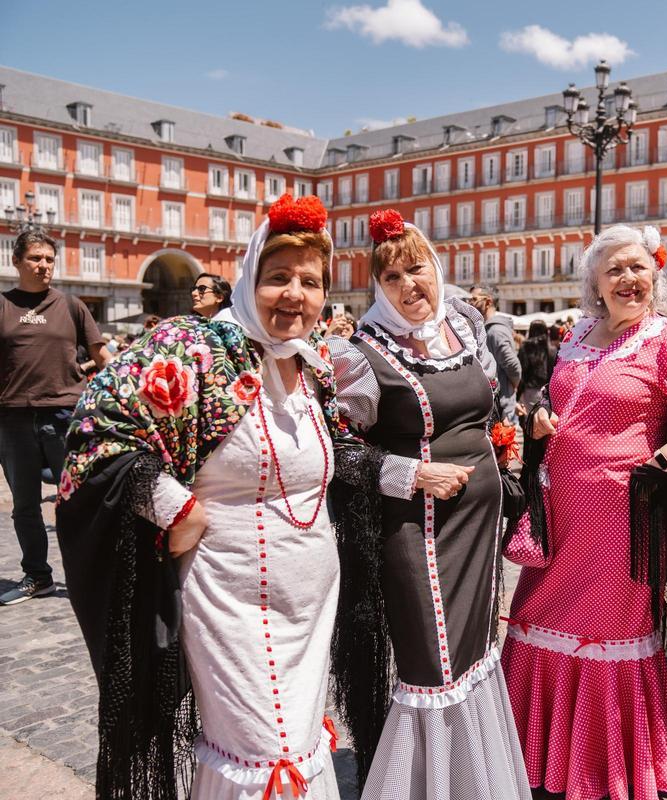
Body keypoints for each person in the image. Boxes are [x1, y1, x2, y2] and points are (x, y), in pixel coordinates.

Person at [55, 194, 408, 798]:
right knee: (260, 754)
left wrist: (412, 476)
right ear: (249, 279)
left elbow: (342, 454)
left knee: (299, 746)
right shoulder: (194, 348)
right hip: (229, 598)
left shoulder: (315, 365)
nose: (295, 294)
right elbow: (95, 437)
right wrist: (173, 505)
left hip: (311, 603)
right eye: (278, 278)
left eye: (310, 281)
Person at [506, 224, 667, 800]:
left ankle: (604, 771)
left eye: (637, 268)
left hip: (621, 525)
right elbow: (549, 394)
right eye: (614, 270)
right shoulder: (579, 335)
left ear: (654, 275)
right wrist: (539, 414)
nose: (627, 279)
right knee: (541, 622)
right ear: (595, 281)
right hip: (559, 519)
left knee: (607, 633)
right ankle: (542, 761)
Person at [327, 209, 531, 799]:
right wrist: (412, 472)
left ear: (436, 268)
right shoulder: (359, 354)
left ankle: (477, 785)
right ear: (378, 288)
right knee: (432, 668)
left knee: (473, 658)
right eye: (392, 279)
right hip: (416, 530)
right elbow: (339, 452)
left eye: (417, 269)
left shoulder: (464, 325)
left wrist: (510, 444)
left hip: (478, 526)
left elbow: (489, 406)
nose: (409, 286)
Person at [0, 227, 109, 607]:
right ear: (16, 261)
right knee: (26, 506)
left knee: (78, 502)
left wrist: (98, 386)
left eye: (49, 259)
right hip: (13, 420)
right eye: (35, 258)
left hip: (65, 417)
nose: (44, 265)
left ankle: (92, 575)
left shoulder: (72, 305)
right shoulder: (2, 305)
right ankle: (38, 577)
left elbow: (103, 359)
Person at [469, 285, 522, 423]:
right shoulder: (487, 328)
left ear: (488, 302)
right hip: (495, 403)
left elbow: (513, 365)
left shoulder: (495, 331)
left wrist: (512, 387)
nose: (470, 303)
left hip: (501, 408)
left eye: (474, 299)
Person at [517, 319, 557, 409]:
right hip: (548, 391)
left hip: (530, 391)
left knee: (530, 420)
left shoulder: (525, 347)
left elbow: (522, 371)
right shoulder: (552, 349)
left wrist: (518, 394)